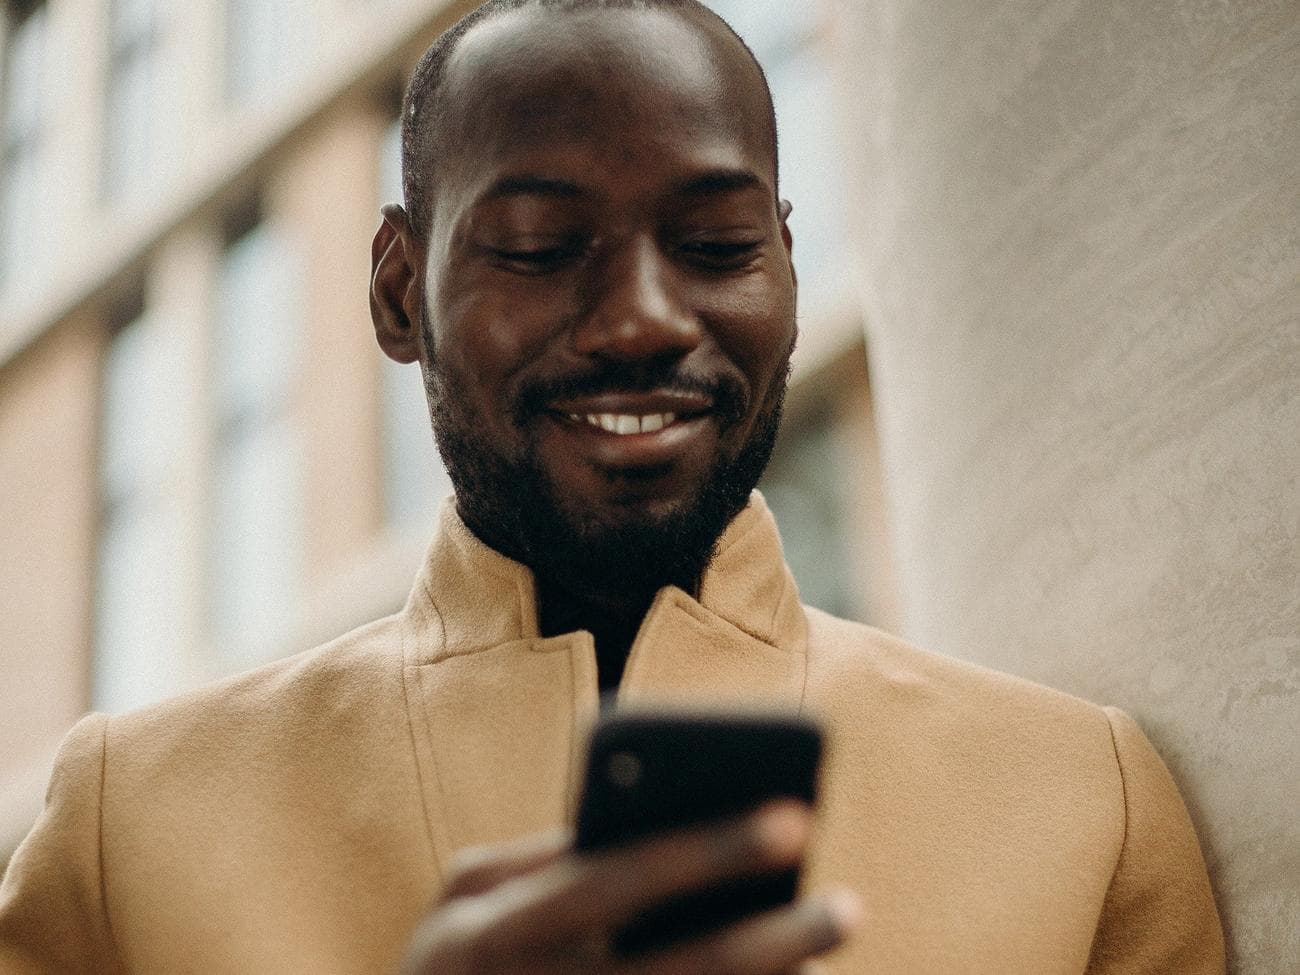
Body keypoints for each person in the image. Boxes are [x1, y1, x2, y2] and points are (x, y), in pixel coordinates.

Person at [0, 1, 1226, 972]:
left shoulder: (1083, 804)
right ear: (398, 292)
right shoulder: (129, 830)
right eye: (540, 248)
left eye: (716, 248)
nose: (645, 318)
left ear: (789, 272)